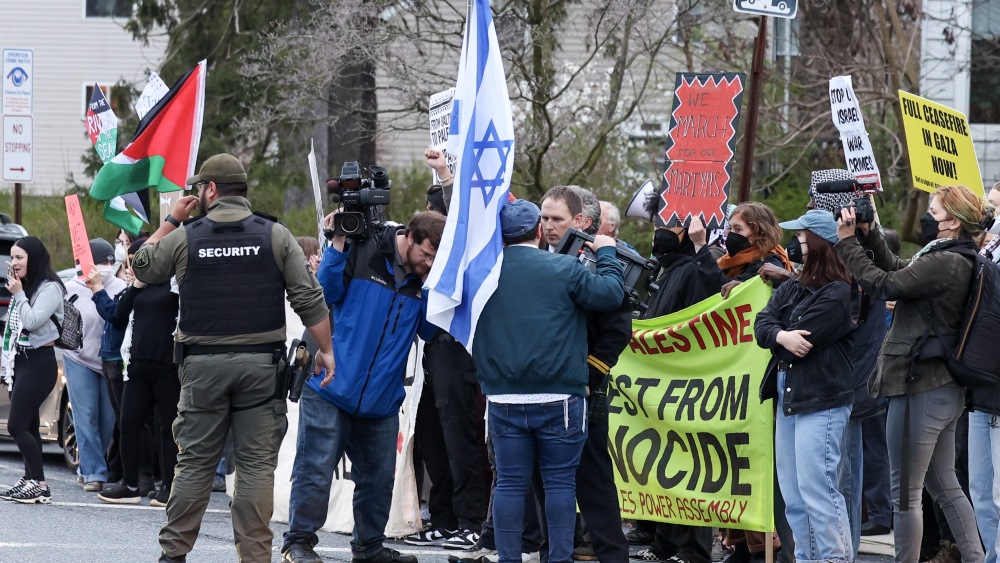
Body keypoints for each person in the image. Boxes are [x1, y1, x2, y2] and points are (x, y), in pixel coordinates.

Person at [131, 153, 334, 563]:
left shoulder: (188, 235)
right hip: (261, 368)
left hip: (203, 367)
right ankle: (255, 557)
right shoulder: (275, 235)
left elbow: (143, 266)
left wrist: (171, 220)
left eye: (198, 189)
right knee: (257, 467)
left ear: (209, 190)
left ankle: (173, 555)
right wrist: (326, 351)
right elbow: (309, 298)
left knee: (194, 465)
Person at [281, 210, 446, 563]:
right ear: (410, 237)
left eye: (437, 259)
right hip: (330, 387)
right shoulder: (363, 249)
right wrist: (338, 243)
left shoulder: (425, 279)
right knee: (315, 470)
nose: (429, 263)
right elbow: (323, 293)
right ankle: (298, 543)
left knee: (378, 481)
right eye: (427, 255)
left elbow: (430, 332)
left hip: (381, 401)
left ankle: (368, 549)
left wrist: (436, 282)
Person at [835, 185, 987, 563]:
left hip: (920, 387)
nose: (927, 216)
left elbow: (886, 283)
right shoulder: (953, 256)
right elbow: (900, 270)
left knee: (905, 494)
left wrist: (846, 243)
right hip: (941, 388)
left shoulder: (945, 261)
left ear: (952, 221)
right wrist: (869, 234)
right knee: (944, 485)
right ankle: (975, 558)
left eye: (933, 211)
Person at [473, 199, 625, 563]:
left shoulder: (482, 273)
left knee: (510, 483)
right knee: (560, 484)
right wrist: (606, 254)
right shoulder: (563, 267)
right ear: (538, 231)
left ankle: (509, 558)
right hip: (560, 396)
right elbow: (611, 294)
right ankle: (558, 559)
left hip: (503, 395)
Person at [755, 209, 858, 563]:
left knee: (819, 490)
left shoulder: (840, 292)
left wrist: (778, 332)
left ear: (819, 243)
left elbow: (806, 340)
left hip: (822, 400)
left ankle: (834, 559)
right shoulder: (793, 286)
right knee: (795, 495)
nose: (794, 244)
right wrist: (781, 334)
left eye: (801, 237)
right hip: (790, 397)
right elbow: (763, 323)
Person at [405, 148, 488, 551]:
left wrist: (446, 176)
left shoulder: (466, 249)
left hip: (459, 353)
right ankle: (442, 518)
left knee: (461, 440)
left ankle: (471, 520)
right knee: (433, 441)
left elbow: (463, 219)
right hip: (433, 356)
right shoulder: (425, 265)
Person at [96, 237, 181, 507]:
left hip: (168, 365)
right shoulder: (138, 285)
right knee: (128, 423)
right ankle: (129, 484)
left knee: (168, 428)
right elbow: (119, 315)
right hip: (138, 366)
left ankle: (169, 486)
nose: (136, 264)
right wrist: (135, 285)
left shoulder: (175, 281)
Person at [0, 236, 65, 504]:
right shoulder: (26, 287)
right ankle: (29, 479)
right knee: (30, 424)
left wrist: (18, 294)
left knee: (16, 425)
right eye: (12, 257)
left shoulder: (49, 288)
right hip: (21, 360)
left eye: (19, 258)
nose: (14, 263)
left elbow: (32, 322)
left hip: (40, 362)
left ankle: (40, 484)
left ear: (33, 259)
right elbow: (11, 328)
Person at [63, 238, 127, 492]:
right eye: (102, 261)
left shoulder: (121, 287)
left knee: (108, 420)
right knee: (86, 415)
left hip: (110, 361)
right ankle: (93, 472)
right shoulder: (71, 288)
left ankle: (90, 465)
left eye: (111, 261)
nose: (107, 265)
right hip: (78, 358)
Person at [688, 201, 792, 297]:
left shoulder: (767, 265)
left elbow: (721, 290)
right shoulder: (730, 260)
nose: (731, 234)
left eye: (738, 229)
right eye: (730, 228)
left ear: (760, 233)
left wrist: (700, 245)